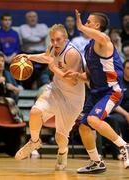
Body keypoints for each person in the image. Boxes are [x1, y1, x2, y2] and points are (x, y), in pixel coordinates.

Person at [64, 10, 129, 173]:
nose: (85, 24)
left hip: (111, 91)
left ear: (97, 25)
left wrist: (78, 25)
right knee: (84, 127)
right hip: (96, 92)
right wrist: (77, 75)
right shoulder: (89, 47)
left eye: (88, 22)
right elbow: (89, 75)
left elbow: (99, 35)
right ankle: (96, 162)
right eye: (84, 22)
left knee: (93, 119)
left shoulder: (104, 41)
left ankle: (124, 145)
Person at [15, 24, 85, 170]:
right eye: (52, 40)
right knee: (35, 112)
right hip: (56, 90)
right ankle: (34, 141)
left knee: (61, 137)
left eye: (58, 39)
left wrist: (53, 68)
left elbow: (72, 81)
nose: (54, 43)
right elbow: (47, 57)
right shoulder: (53, 47)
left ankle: (62, 152)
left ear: (65, 39)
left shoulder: (73, 54)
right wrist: (29, 57)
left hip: (73, 99)